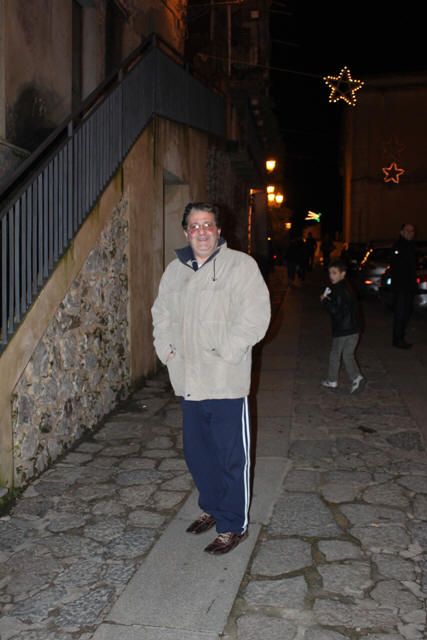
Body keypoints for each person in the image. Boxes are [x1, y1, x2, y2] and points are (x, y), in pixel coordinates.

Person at [151, 202, 271, 555]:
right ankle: (213, 507)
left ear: (219, 231)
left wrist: (228, 351)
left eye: (207, 225)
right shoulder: (175, 271)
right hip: (188, 380)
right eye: (194, 226)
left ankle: (233, 524)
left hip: (225, 380)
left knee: (231, 456)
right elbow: (161, 314)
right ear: (186, 232)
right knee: (198, 454)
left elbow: (255, 315)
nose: (201, 231)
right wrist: (166, 351)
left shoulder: (241, 266)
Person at [320, 259, 365, 394]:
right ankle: (356, 378)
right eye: (330, 273)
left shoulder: (338, 289)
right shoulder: (348, 287)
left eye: (334, 273)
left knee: (335, 354)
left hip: (342, 329)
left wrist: (325, 301)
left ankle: (332, 380)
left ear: (343, 274)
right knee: (347, 355)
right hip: (354, 328)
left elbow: (335, 310)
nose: (331, 276)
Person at [390, 223, 417, 349]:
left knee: (406, 313)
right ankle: (398, 339)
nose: (410, 233)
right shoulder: (399, 246)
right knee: (400, 314)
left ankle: (400, 337)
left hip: (408, 287)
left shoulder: (411, 246)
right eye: (408, 230)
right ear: (402, 232)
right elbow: (397, 268)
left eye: (412, 231)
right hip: (401, 287)